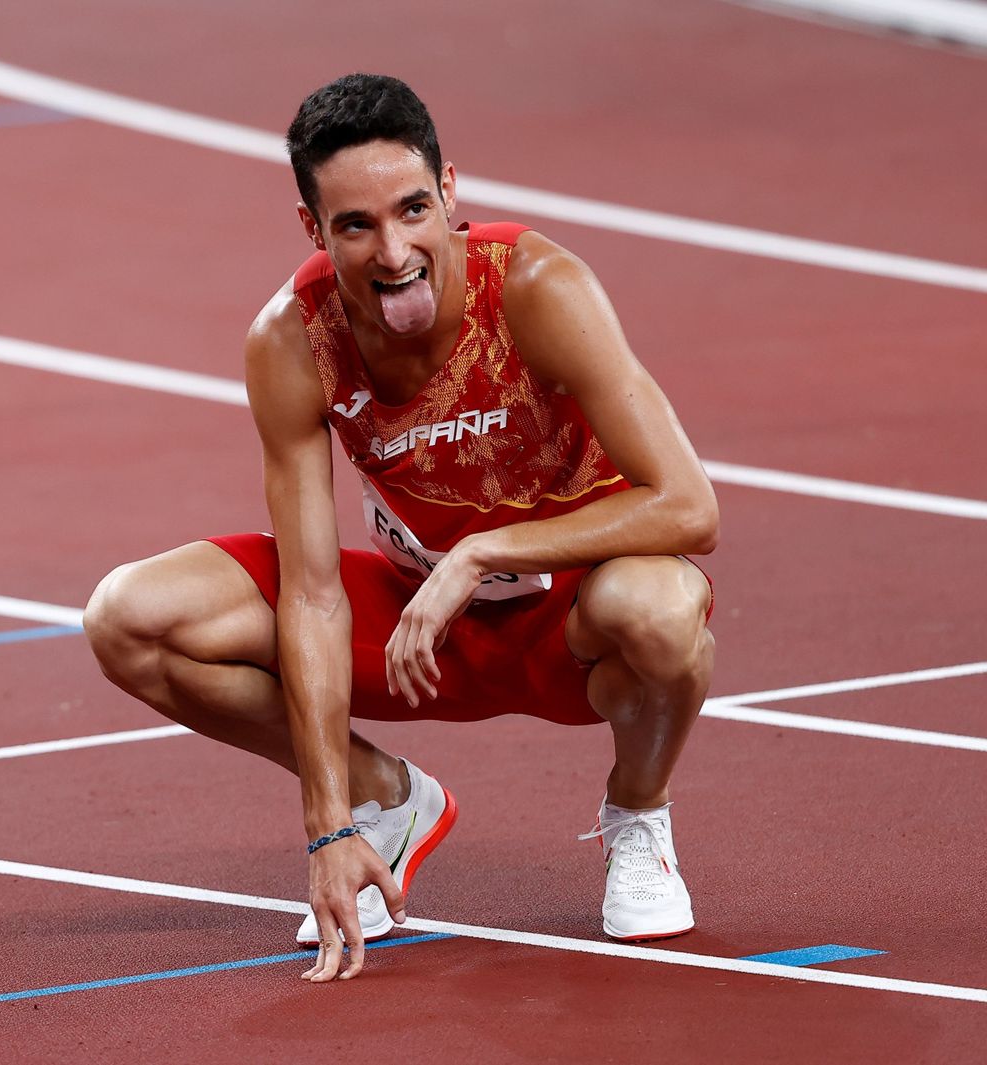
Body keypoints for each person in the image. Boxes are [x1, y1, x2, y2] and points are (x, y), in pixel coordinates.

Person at [83, 73, 717, 984]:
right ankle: (390, 802)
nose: (395, 251)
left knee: (662, 606)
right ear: (314, 230)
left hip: (576, 621)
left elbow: (690, 506)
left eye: (413, 209)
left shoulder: (538, 287)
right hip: (420, 631)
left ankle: (638, 813)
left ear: (450, 190)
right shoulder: (291, 341)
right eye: (356, 226)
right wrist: (327, 822)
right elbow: (307, 589)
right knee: (129, 617)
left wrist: (482, 551)